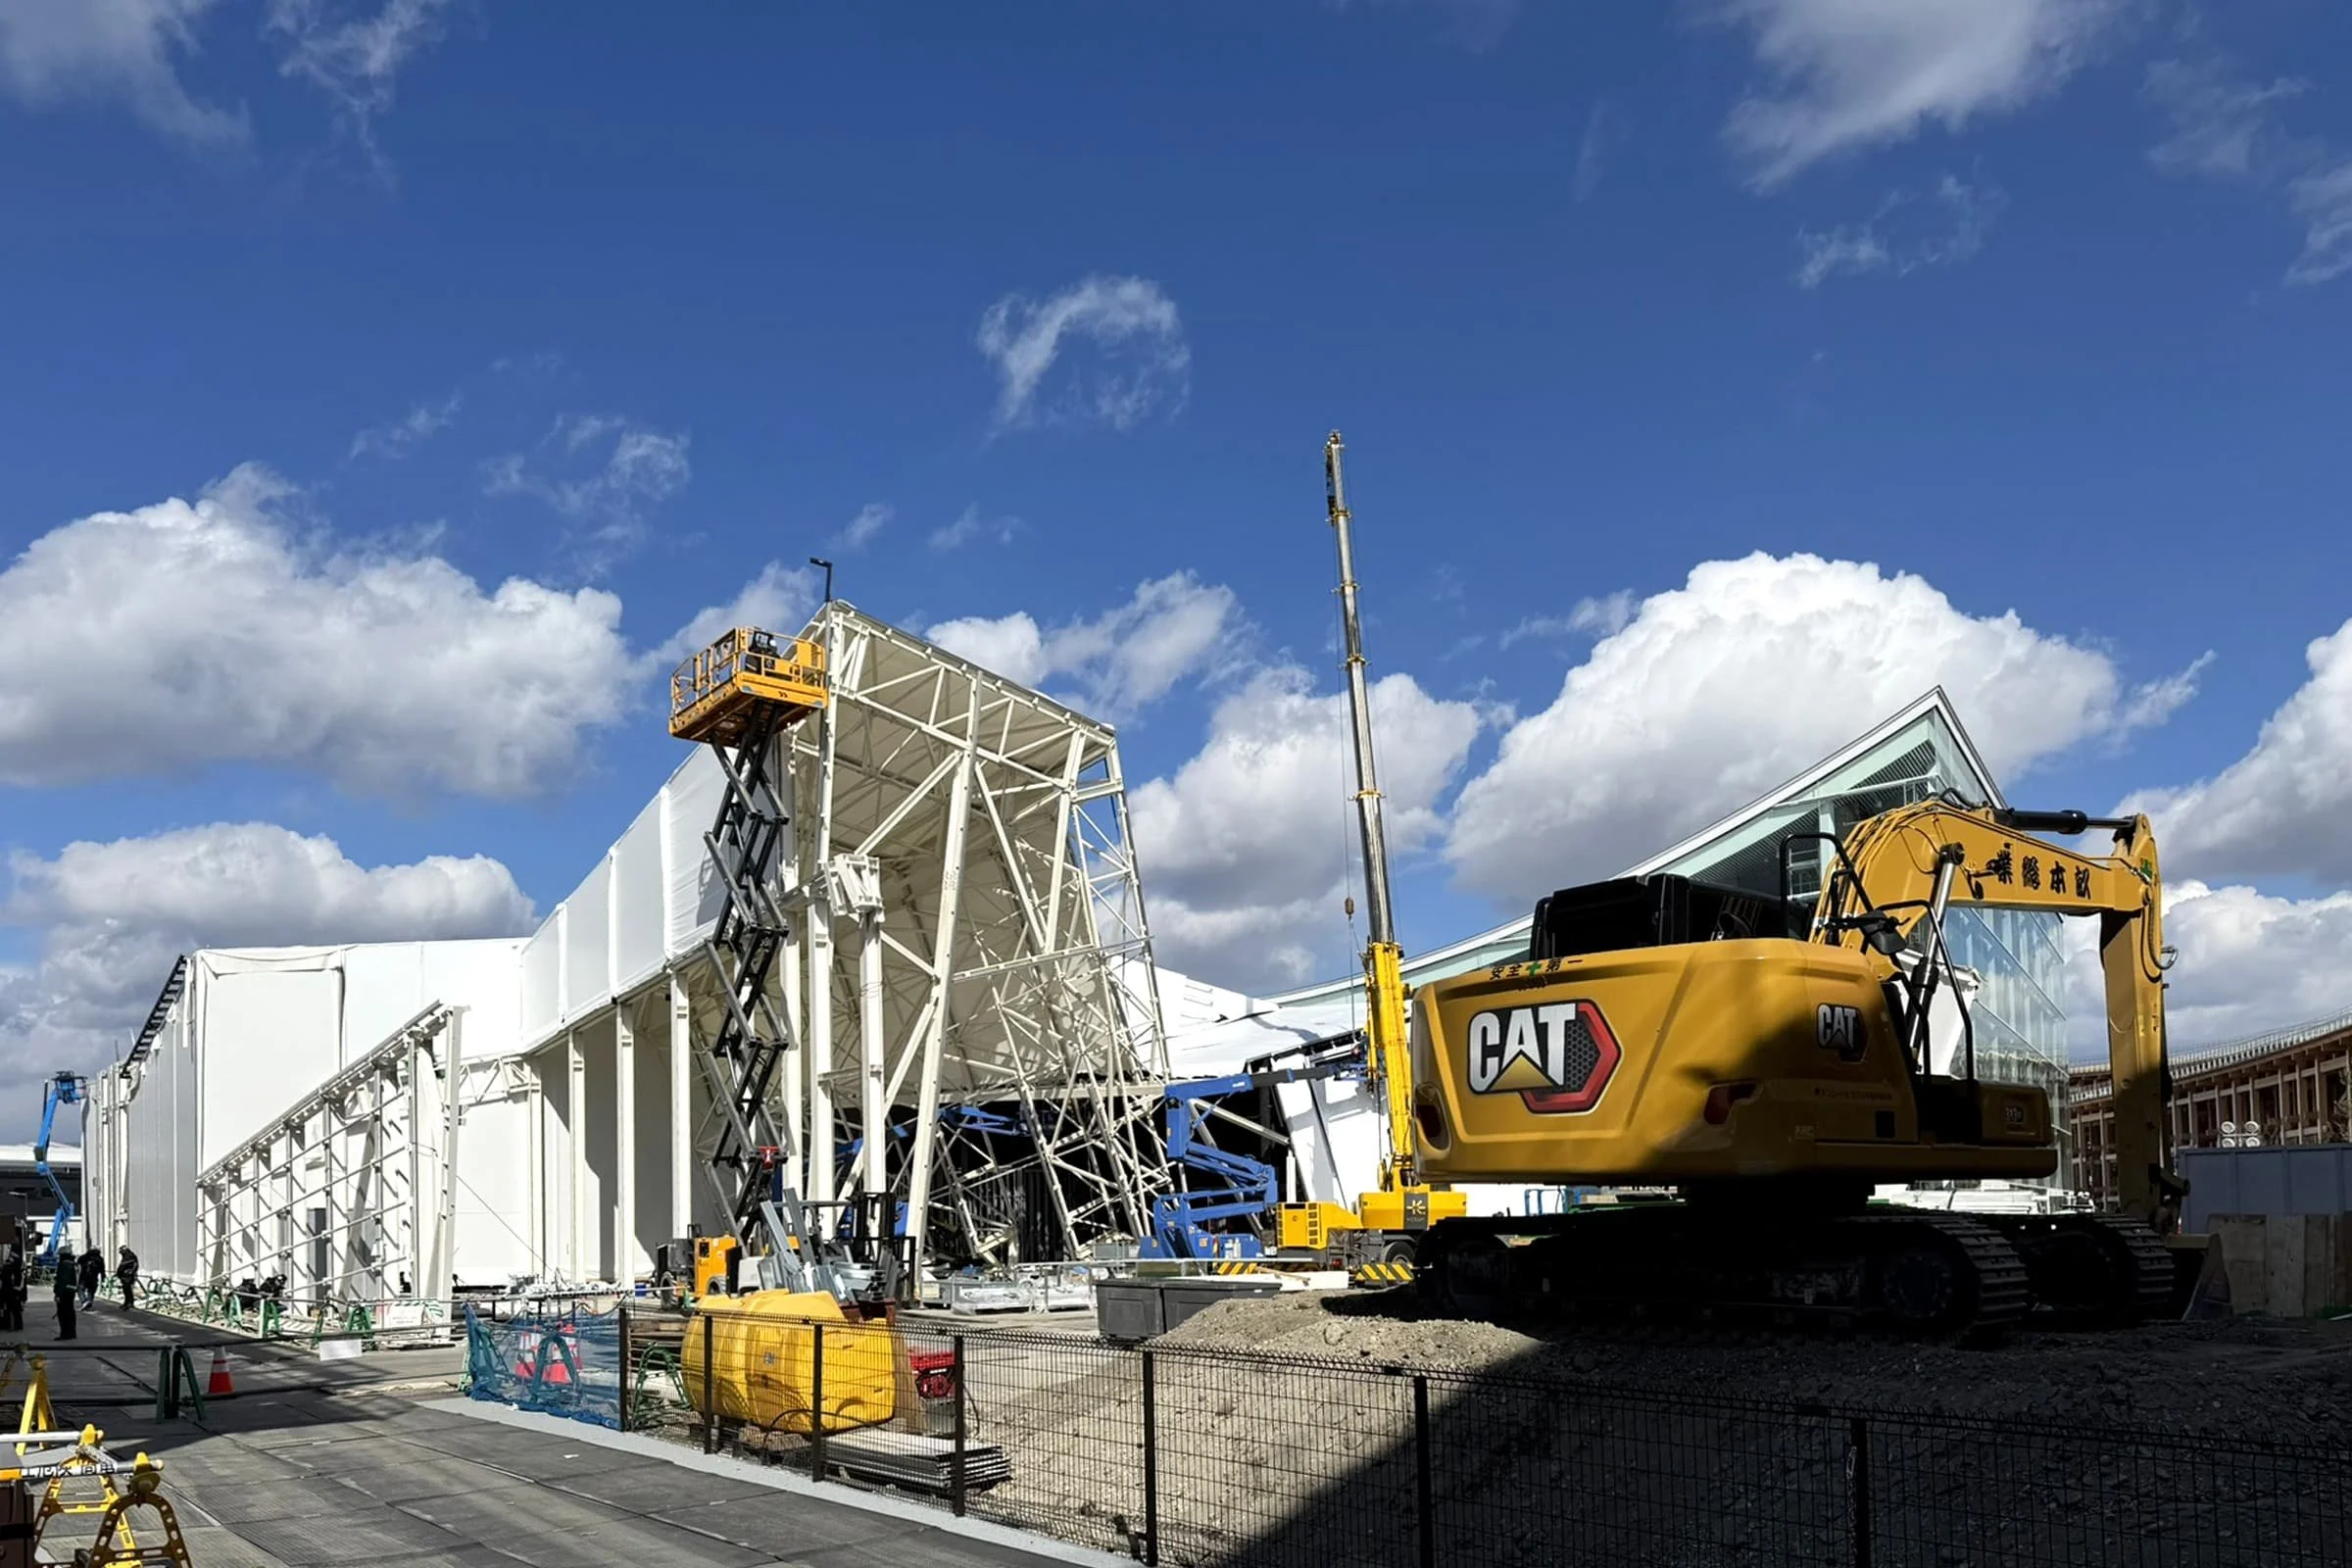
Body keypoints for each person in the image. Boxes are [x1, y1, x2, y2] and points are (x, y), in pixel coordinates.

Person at [52, 1244, 76, 1341]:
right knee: (70, 1313)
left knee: (63, 1314)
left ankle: (65, 1334)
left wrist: (58, 1294)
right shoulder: (72, 1263)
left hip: (64, 1292)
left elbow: (62, 1280)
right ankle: (71, 1333)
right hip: (71, 1291)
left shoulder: (64, 1264)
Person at [0, 1247, 24, 1334]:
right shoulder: (13, 1267)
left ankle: (14, 1325)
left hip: (12, 1291)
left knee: (13, 1309)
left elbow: (18, 1280)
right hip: (9, 1290)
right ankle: (10, 1325)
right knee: (10, 1309)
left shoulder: (14, 1267)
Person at [75, 1246, 102, 1310]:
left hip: (84, 1277)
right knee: (91, 1290)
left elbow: (77, 1267)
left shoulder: (83, 1257)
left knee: (80, 1289)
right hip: (94, 1277)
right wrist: (103, 1276)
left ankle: (84, 1301)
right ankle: (89, 1302)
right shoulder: (100, 1258)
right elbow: (102, 1269)